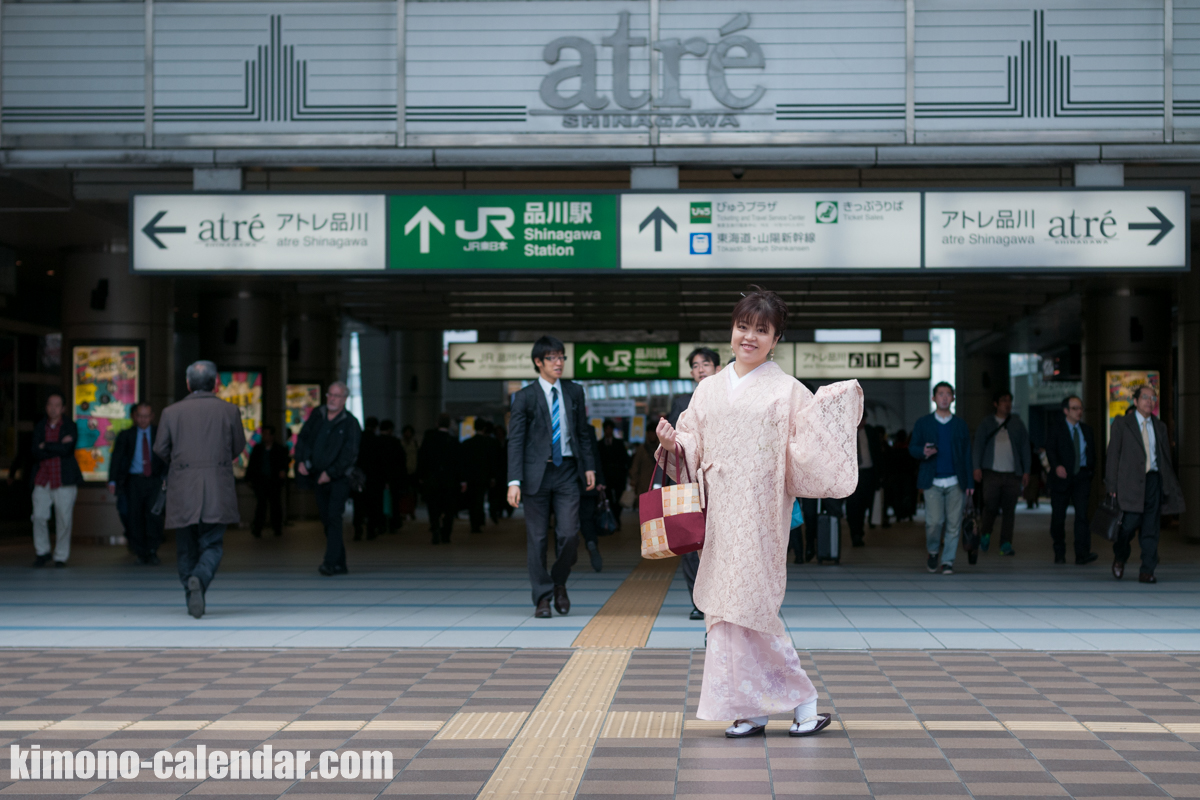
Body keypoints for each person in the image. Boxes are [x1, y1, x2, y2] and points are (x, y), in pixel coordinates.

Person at [657, 287, 859, 739]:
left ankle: (803, 701)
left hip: (761, 515)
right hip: (719, 515)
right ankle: (749, 708)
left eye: (761, 330)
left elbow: (808, 452)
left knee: (752, 607)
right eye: (742, 326)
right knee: (723, 614)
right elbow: (692, 445)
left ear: (775, 339)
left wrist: (834, 412)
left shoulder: (787, 391)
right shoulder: (708, 389)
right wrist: (674, 443)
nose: (749, 337)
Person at [507, 335, 597, 619]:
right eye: (552, 358)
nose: (559, 363)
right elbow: (515, 441)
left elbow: (583, 432)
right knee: (536, 539)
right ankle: (543, 598)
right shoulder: (524, 397)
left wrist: (589, 466)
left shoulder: (574, 391)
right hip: (536, 474)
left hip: (568, 471)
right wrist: (514, 481)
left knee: (570, 534)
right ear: (538, 362)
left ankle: (559, 581)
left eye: (561, 357)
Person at [154, 361, 244, 618]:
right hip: (217, 486)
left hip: (183, 487)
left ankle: (191, 591)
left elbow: (160, 449)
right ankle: (200, 579)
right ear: (216, 383)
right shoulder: (229, 411)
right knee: (213, 544)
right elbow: (238, 446)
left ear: (188, 383)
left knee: (185, 546)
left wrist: (182, 461)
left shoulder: (171, 412)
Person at [1106, 385, 1184, 584]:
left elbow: (1165, 459)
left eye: (1152, 398)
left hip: (1154, 481)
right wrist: (1111, 486)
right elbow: (1113, 456)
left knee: (1151, 528)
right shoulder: (1122, 424)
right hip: (1129, 484)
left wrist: (1169, 485)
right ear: (1135, 401)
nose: (1149, 401)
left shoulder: (1160, 426)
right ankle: (1120, 557)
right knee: (1128, 526)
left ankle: (1147, 570)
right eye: (1145, 397)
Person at [667, 346, 721, 619]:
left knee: (720, 541)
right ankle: (699, 602)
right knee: (690, 542)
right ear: (691, 372)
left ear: (718, 369)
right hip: (688, 481)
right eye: (696, 366)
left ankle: (720, 598)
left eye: (706, 364)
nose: (701, 369)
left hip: (720, 481)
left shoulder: (728, 399)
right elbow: (673, 443)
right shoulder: (681, 402)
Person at [294, 382, 362, 575]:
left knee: (333, 517)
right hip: (317, 476)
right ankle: (340, 562)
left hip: (338, 478)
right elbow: (304, 439)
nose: (332, 398)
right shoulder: (318, 415)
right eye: (330, 394)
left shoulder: (350, 423)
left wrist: (330, 473)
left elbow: (350, 454)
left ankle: (330, 563)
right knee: (326, 519)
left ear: (344, 399)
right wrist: (301, 460)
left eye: (337, 396)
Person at [909, 382, 974, 574]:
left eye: (948, 394)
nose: (944, 397)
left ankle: (948, 561)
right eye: (940, 394)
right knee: (933, 523)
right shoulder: (923, 423)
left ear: (953, 398)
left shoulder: (960, 425)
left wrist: (970, 482)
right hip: (932, 481)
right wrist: (923, 451)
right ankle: (933, 551)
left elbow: (967, 455)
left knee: (954, 524)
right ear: (933, 398)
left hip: (956, 481)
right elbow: (912, 448)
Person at [972, 390, 1030, 556]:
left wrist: (1026, 471)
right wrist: (976, 467)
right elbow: (978, 447)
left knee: (1009, 510)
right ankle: (986, 533)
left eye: (1009, 401)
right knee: (990, 506)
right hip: (991, 473)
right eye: (1003, 400)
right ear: (996, 404)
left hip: (1012, 474)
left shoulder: (1017, 423)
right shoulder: (987, 423)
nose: (1007, 404)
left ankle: (1005, 543)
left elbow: (1025, 447)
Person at [108, 402, 167, 564]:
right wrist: (112, 480)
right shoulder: (126, 435)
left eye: (146, 416)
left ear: (152, 416)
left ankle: (153, 549)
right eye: (140, 416)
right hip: (133, 481)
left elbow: (167, 457)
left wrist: (166, 478)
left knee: (154, 515)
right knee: (135, 517)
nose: (143, 419)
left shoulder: (159, 434)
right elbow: (117, 459)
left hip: (154, 480)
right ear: (134, 416)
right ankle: (140, 551)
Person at [1045, 395, 1098, 565]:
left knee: (1082, 516)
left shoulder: (1086, 430)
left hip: (1081, 477)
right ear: (1066, 411)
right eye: (1075, 408)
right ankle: (1059, 551)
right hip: (1061, 478)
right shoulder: (1056, 429)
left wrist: (1090, 472)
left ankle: (1082, 553)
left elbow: (1092, 454)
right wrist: (1056, 466)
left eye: (1080, 408)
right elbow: (1050, 450)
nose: (1079, 412)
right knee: (1058, 517)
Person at [31, 392, 82, 568]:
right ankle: (42, 552)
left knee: (64, 519)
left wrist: (46, 445)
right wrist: (58, 445)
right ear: (46, 407)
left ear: (63, 408)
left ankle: (60, 556)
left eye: (57, 405)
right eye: (50, 404)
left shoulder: (70, 426)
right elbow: (35, 451)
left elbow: (67, 450)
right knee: (38, 516)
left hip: (64, 479)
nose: (53, 408)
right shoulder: (39, 426)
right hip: (43, 478)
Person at [418, 413, 466, 544]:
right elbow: (459, 463)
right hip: (449, 480)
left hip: (433, 479)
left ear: (437, 424)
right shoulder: (453, 441)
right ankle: (446, 533)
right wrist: (462, 480)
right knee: (449, 508)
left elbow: (422, 458)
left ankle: (435, 529)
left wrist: (421, 476)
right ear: (449, 425)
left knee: (433, 507)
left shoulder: (429, 439)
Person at [246, 424, 288, 538]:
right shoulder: (258, 449)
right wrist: (249, 478)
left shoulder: (279, 449)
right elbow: (252, 465)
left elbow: (284, 464)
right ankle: (258, 528)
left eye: (267, 434)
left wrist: (283, 472)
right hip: (261, 481)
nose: (265, 436)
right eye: (263, 434)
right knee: (261, 506)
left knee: (275, 505)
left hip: (274, 481)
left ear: (272, 436)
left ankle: (277, 528)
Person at [846, 418, 883, 547]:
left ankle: (860, 531)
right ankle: (855, 534)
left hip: (868, 473)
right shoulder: (846, 430)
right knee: (852, 505)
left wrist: (879, 476)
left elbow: (878, 454)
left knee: (864, 504)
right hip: (851, 475)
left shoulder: (870, 432)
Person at [461, 418, 500, 532]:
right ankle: (478, 521)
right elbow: (493, 461)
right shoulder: (489, 443)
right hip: (484, 476)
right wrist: (493, 476)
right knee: (479, 499)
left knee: (473, 500)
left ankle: (475, 522)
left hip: (471, 477)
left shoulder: (467, 443)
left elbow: (464, 462)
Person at [595, 419, 630, 529]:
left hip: (618, 475)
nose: (608, 431)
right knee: (608, 498)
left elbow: (625, 459)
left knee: (619, 499)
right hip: (606, 476)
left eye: (610, 429)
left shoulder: (619, 443)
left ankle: (616, 518)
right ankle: (613, 520)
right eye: (606, 429)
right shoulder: (599, 444)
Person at [353, 416, 382, 541]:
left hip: (359, 476)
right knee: (373, 505)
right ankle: (371, 530)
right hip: (374, 477)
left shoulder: (358, 439)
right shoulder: (376, 441)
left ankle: (358, 530)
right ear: (376, 427)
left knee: (358, 505)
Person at [376, 419, 405, 532]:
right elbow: (401, 461)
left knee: (378, 501)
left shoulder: (376, 442)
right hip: (393, 476)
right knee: (394, 502)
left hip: (377, 476)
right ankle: (394, 524)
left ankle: (380, 524)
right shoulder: (395, 442)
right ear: (390, 430)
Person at [489, 425, 512, 523]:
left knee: (504, 492)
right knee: (498, 493)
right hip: (498, 473)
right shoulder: (493, 444)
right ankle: (500, 510)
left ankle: (506, 509)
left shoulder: (507, 443)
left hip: (506, 472)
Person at [399, 424, 421, 522]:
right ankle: (404, 511)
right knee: (404, 493)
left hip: (413, 471)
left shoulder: (415, 443)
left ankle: (411, 511)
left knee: (413, 493)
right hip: (403, 471)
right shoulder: (400, 443)